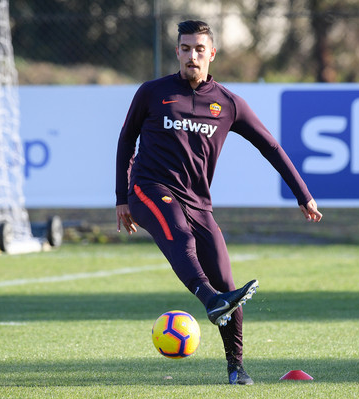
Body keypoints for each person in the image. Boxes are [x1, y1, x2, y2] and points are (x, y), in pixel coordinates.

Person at [115, 20, 322, 385]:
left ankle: (236, 366)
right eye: (185, 48)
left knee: (228, 281)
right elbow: (125, 141)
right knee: (179, 233)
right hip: (149, 189)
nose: (191, 55)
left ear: (211, 53)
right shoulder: (153, 92)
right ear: (177, 51)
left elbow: (270, 147)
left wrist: (302, 193)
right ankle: (210, 300)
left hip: (198, 203)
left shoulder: (227, 103)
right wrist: (121, 198)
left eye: (199, 49)